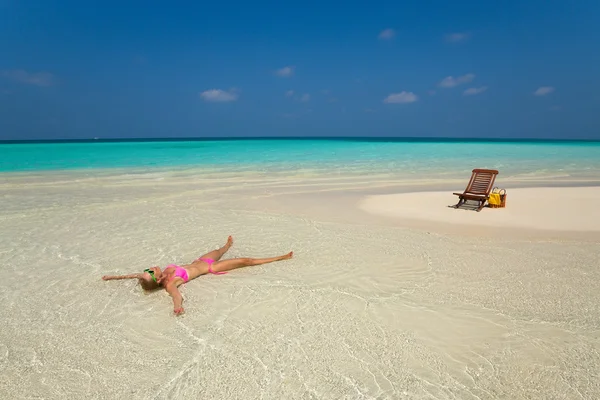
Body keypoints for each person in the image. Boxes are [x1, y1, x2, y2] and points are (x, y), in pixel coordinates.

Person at [102, 236, 293, 315]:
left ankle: (227, 245)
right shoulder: (170, 283)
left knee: (220, 249)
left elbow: (137, 275)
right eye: (151, 271)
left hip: (200, 260)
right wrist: (178, 307)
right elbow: (176, 295)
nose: (151, 267)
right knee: (246, 261)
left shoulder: (155, 277)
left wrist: (114, 277)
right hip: (210, 268)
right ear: (158, 279)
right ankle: (280, 258)